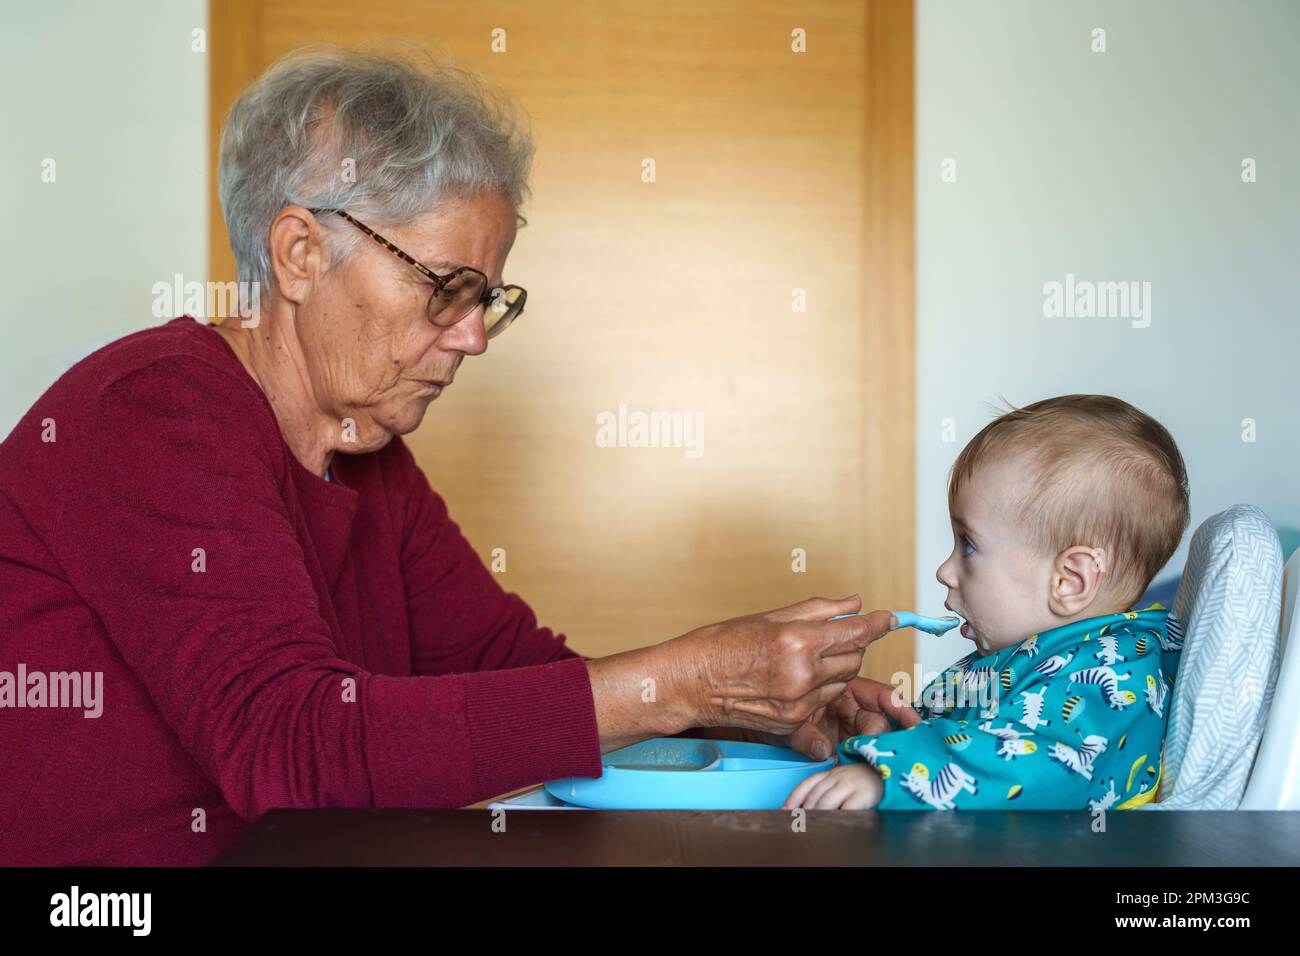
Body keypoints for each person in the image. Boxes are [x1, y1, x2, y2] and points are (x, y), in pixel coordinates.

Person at [786, 395, 1189, 810]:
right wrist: (874, 736)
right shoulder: (1026, 654)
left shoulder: (1113, 679)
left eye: (969, 546)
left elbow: (1027, 763)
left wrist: (884, 775)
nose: (945, 571)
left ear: (1069, 581)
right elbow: (954, 734)